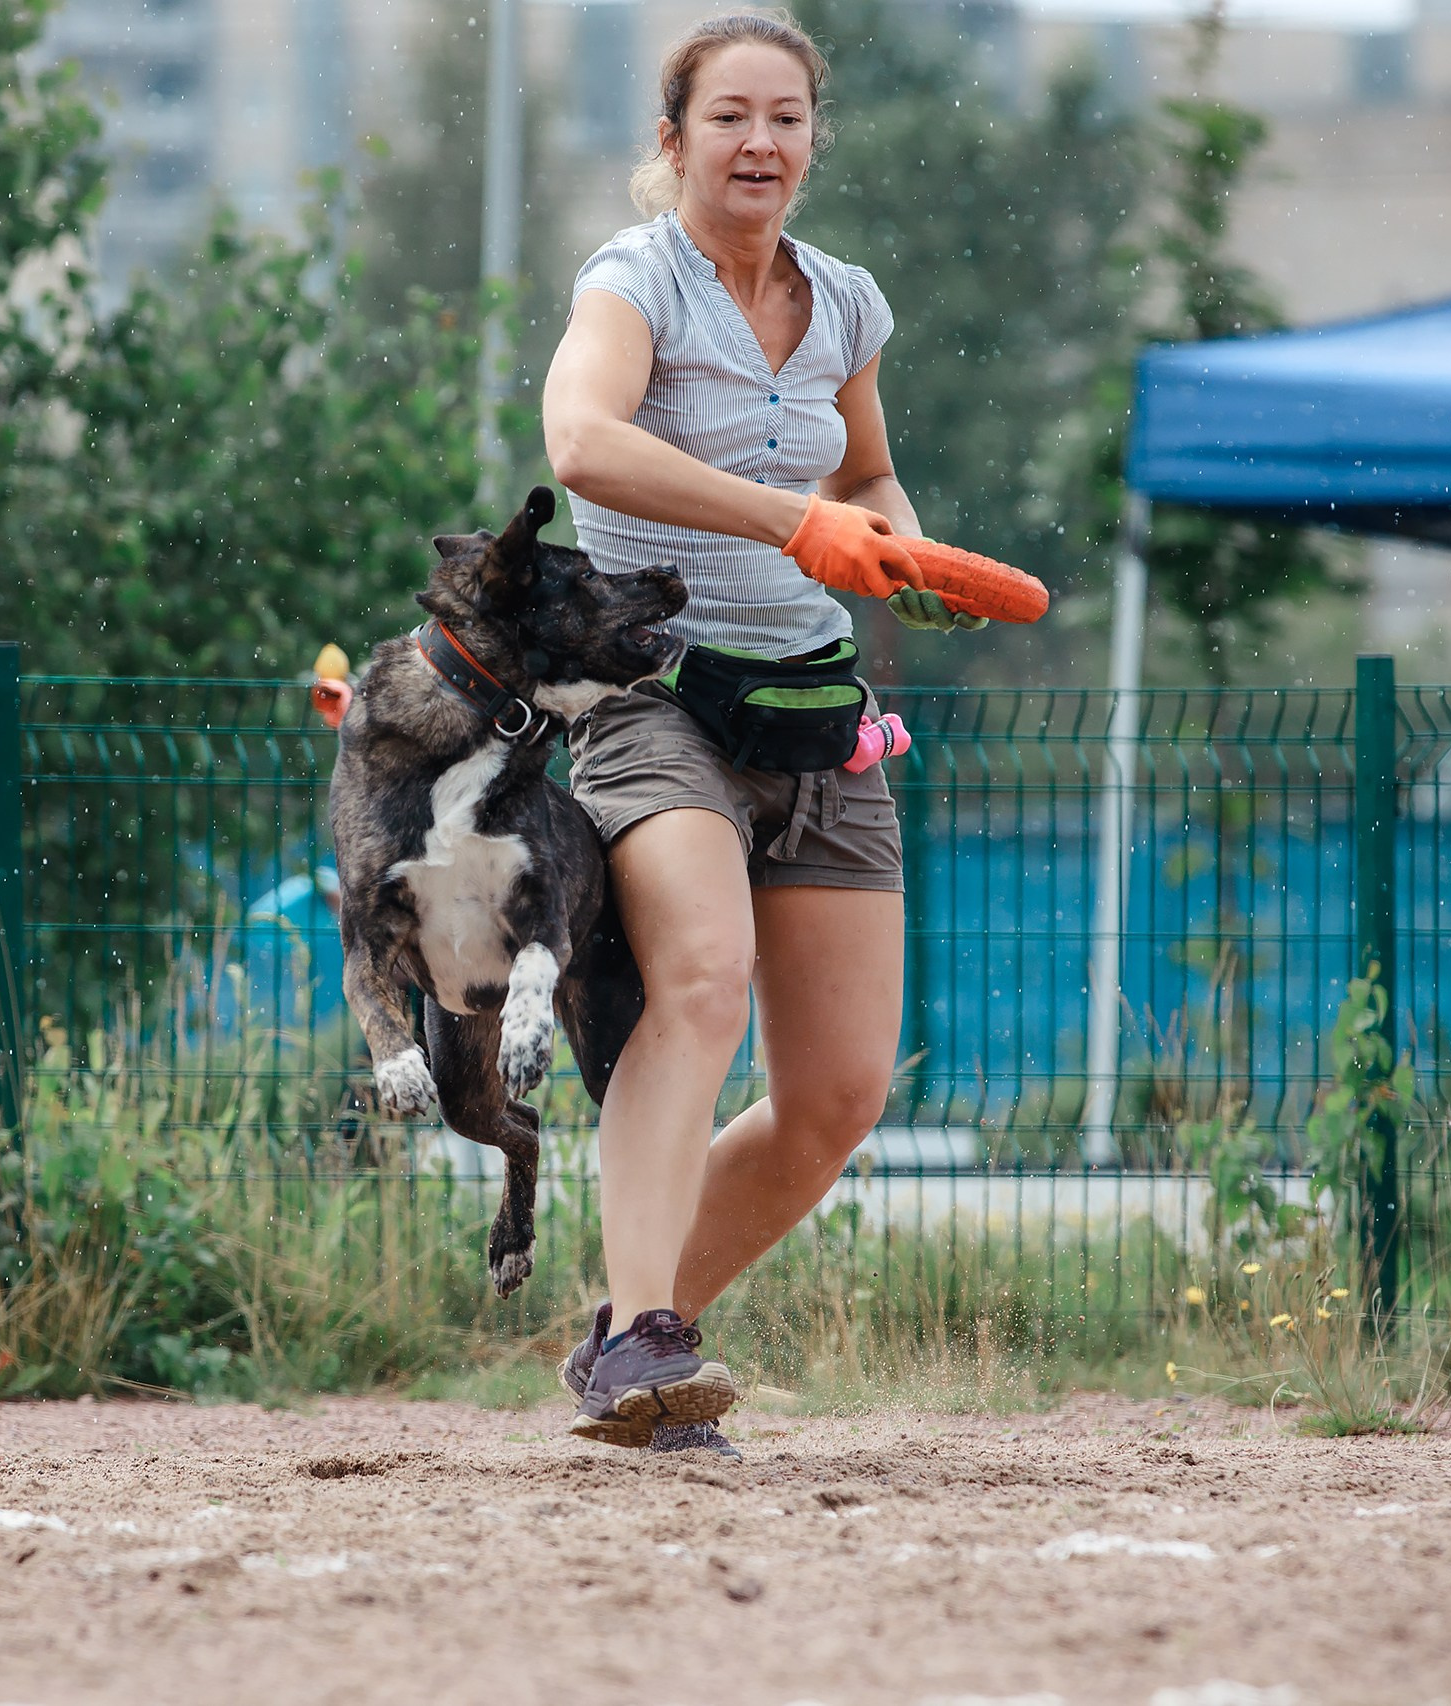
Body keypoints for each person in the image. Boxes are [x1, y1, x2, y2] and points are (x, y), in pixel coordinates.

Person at [540, 9, 982, 1459]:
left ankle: (627, 1339)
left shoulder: (846, 301)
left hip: (814, 711)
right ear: (672, 142)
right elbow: (581, 444)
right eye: (729, 116)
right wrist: (789, 519)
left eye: (785, 117)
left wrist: (903, 548)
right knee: (705, 979)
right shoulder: (635, 281)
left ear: (813, 142)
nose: (761, 142)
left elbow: (870, 468)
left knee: (838, 1098)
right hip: (654, 698)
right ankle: (646, 1342)